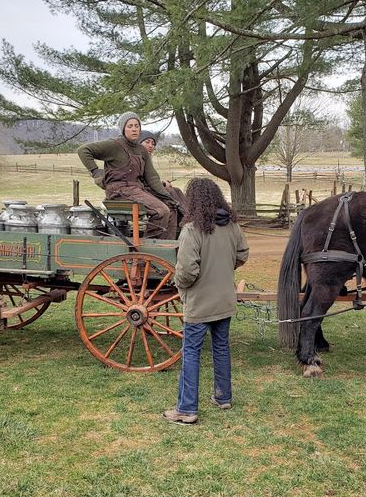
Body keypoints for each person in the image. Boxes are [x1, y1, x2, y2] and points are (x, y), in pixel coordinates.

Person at [163, 177, 249, 425]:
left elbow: (187, 271)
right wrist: (224, 269)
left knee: (191, 352)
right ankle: (223, 397)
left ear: (193, 201)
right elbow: (242, 254)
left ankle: (186, 409)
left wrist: (180, 284)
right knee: (221, 347)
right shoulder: (232, 226)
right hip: (225, 300)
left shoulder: (192, 230)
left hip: (200, 302)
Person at [77, 112, 178, 239]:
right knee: (161, 211)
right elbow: (83, 150)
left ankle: (168, 246)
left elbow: (152, 177)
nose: (134, 129)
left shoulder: (142, 150)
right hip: (119, 191)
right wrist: (95, 172)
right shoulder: (114, 145)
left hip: (136, 190)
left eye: (137, 126)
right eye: (130, 126)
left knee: (172, 207)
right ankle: (151, 246)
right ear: (123, 129)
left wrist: (166, 196)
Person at [138, 130, 187, 228]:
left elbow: (151, 179)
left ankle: (187, 215)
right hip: (142, 192)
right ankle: (187, 217)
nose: (151, 146)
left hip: (150, 189)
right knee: (171, 192)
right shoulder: (137, 159)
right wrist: (163, 185)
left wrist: (162, 183)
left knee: (176, 190)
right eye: (147, 142)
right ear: (138, 143)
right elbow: (144, 181)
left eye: (153, 144)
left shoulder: (147, 159)